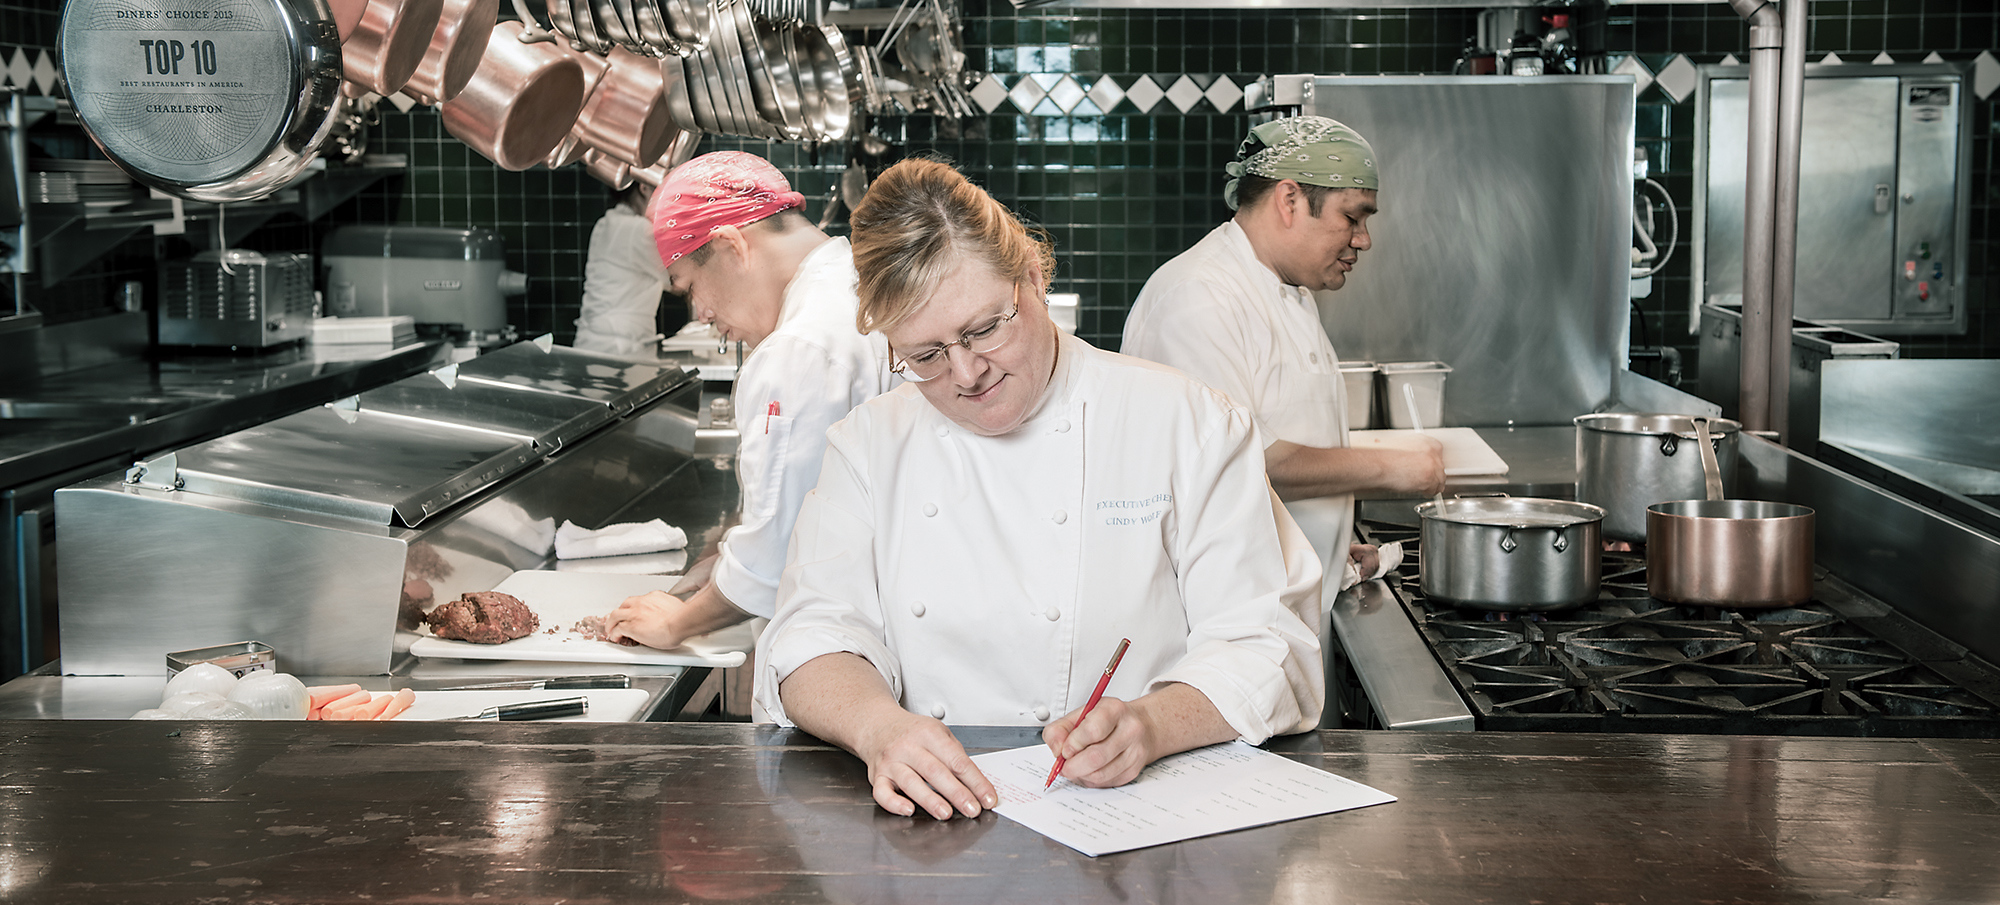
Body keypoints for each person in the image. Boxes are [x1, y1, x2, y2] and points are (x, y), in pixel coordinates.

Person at [755, 158, 1324, 822]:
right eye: (926, 355)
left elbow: (1265, 643)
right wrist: (878, 727)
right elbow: (812, 634)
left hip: (1138, 821)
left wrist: (1152, 724)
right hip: (936, 828)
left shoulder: (1187, 422)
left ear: (1032, 276)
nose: (966, 372)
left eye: (983, 329)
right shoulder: (868, 444)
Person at [1123, 116, 1445, 586]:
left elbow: (1289, 438)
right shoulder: (1199, 298)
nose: (1364, 239)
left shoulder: (1289, 291)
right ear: (1289, 200)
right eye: (1351, 217)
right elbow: (1241, 462)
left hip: (1292, 591)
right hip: (1231, 611)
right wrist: (1395, 469)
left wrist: (1322, 545)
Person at [599, 152, 897, 650]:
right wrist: (727, 562)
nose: (701, 313)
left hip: (855, 637)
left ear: (730, 245)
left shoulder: (800, 348)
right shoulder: (852, 281)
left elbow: (781, 555)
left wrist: (678, 623)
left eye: (690, 287)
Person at [572, 182, 676, 356]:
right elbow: (678, 277)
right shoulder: (638, 229)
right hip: (619, 348)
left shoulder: (606, 222)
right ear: (644, 187)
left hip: (592, 343)